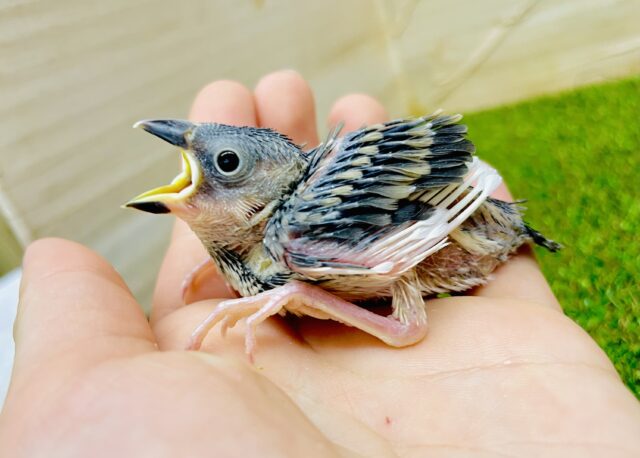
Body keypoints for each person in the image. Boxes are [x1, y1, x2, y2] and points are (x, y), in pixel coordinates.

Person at [0, 70, 638, 457]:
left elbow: (408, 314)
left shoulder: (295, 235)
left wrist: (295, 293)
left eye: (227, 167)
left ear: (266, 186)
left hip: (456, 227)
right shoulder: (247, 243)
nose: (206, 172)